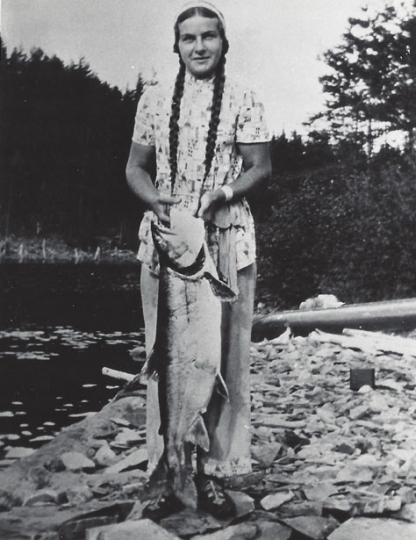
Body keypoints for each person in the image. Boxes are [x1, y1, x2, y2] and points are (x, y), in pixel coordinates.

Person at [126, 0, 271, 519]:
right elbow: (135, 169)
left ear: (223, 42)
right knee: (165, 358)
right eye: (189, 38)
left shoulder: (244, 97)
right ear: (177, 46)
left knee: (224, 357)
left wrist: (224, 191)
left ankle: (214, 471)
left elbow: (260, 165)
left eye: (209, 36)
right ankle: (167, 468)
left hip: (227, 236)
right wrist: (152, 199)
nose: (200, 46)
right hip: (168, 241)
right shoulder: (153, 99)